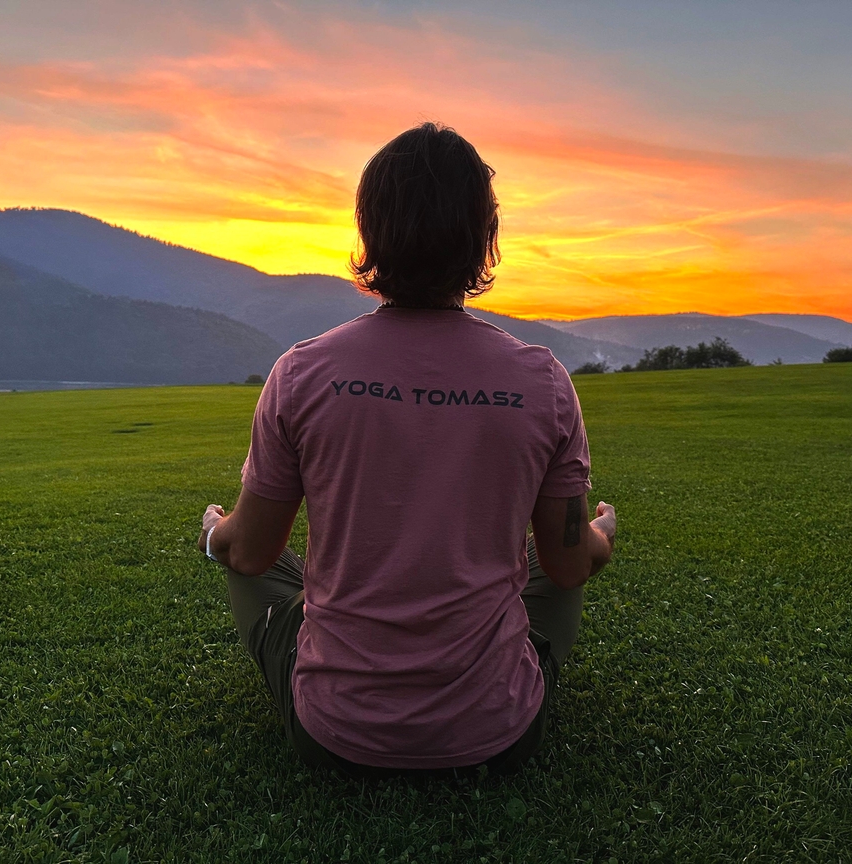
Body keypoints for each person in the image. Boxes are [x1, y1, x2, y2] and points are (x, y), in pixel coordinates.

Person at [196, 122, 617, 778]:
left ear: (369, 233)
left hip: (334, 734)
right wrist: (601, 534)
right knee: (554, 561)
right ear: (486, 237)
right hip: (499, 734)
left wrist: (215, 534)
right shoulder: (542, 381)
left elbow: (252, 551)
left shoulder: (303, 373)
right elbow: (567, 566)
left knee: (251, 563)